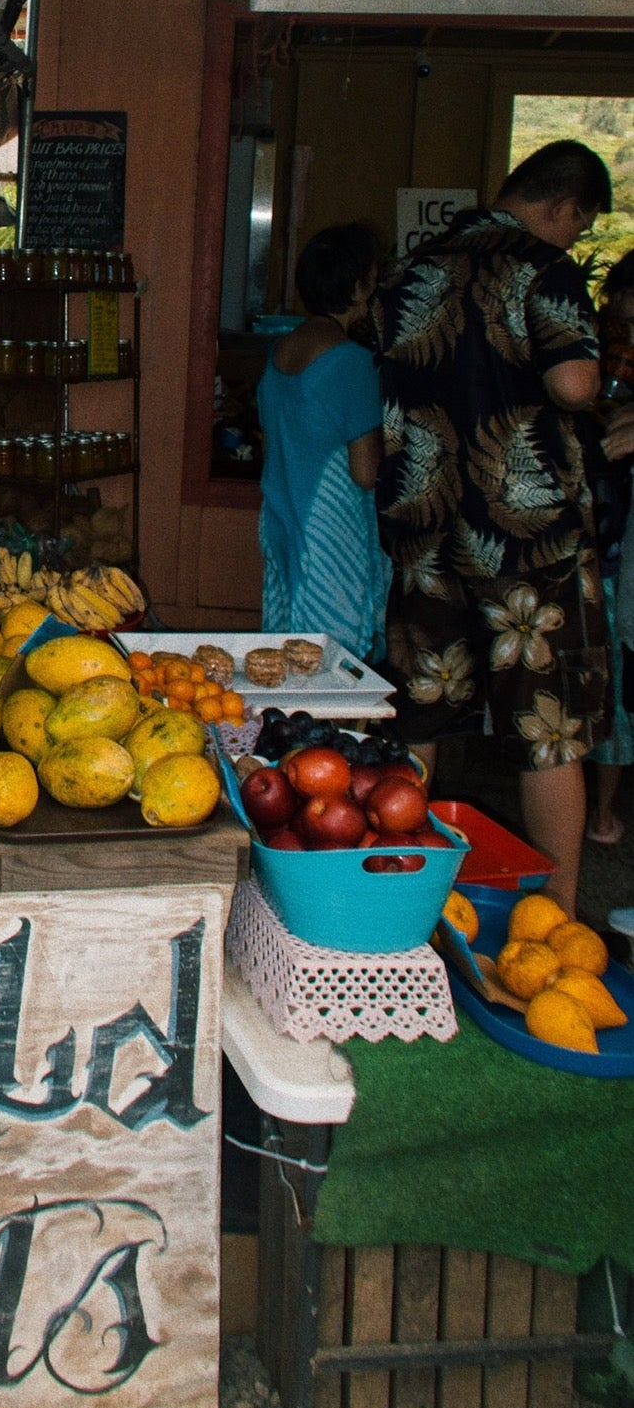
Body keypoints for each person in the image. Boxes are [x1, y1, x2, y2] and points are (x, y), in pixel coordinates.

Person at [374, 139, 612, 913]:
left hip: (426, 529)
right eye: (578, 225)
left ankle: (393, 891)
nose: (573, 239)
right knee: (546, 730)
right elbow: (574, 380)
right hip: (524, 540)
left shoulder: (417, 266)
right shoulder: (543, 269)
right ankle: (557, 914)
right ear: (562, 207)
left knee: (422, 708)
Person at [256, 222, 386, 656]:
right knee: (332, 659)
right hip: (331, 531)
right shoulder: (353, 363)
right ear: (358, 285)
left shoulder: (280, 354)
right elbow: (365, 473)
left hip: (281, 519)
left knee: (286, 653)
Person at [587, 252, 634, 843]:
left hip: (618, 554)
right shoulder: (588, 360)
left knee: (617, 692)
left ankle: (603, 811)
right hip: (600, 548)